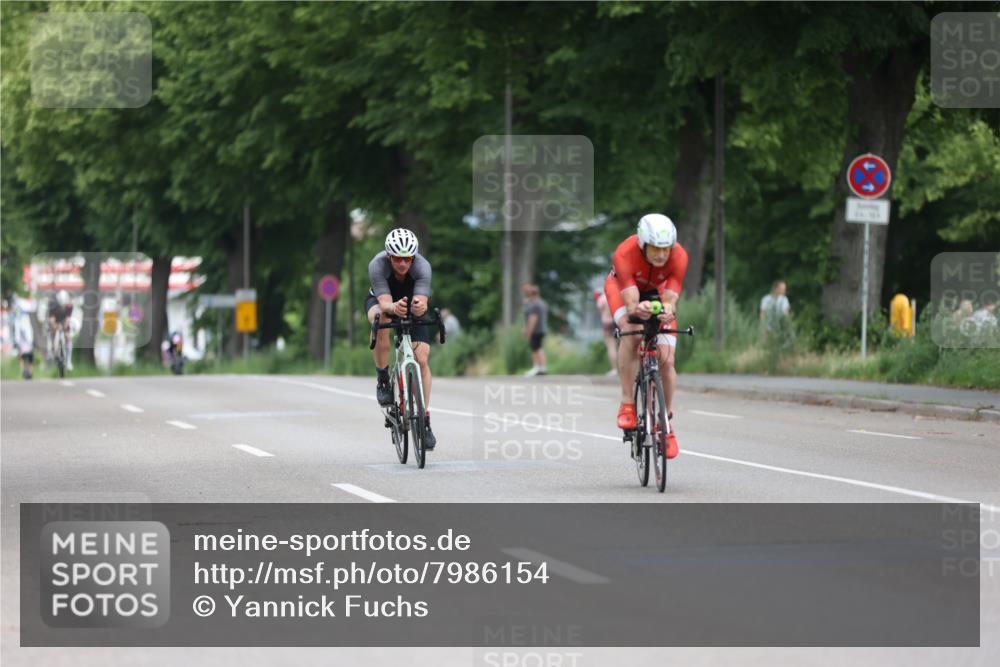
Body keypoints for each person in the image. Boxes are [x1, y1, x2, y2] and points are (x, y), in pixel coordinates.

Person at [604, 213, 688, 459]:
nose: (661, 255)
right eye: (654, 248)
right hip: (623, 289)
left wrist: (667, 311)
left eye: (665, 249)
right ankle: (627, 402)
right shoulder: (624, 253)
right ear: (642, 244)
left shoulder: (679, 256)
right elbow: (631, 305)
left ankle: (666, 423)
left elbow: (670, 300)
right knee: (632, 334)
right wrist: (636, 310)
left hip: (658, 294)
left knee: (667, 359)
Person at [366, 228, 437, 449]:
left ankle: (424, 421)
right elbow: (386, 302)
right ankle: (383, 378)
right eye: (398, 259)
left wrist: (420, 306)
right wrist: (392, 307)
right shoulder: (377, 265)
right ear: (389, 256)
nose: (403, 264)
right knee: (379, 319)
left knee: (422, 359)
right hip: (383, 300)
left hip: (409, 302)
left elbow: (421, 300)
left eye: (407, 258)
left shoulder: (422, 266)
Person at [522, 283, 548, 376]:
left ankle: (537, 367)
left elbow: (533, 319)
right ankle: (541, 367)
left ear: (531, 294)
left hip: (536, 330)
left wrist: (529, 331)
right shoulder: (542, 303)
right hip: (542, 328)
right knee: (539, 348)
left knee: (535, 348)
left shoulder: (535, 305)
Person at [46, 289, 74, 372]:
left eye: (64, 305)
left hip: (64, 320)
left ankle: (68, 360)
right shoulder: (52, 305)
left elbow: (68, 318)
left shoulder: (69, 306)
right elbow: (51, 319)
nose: (63, 306)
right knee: (52, 331)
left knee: (68, 337)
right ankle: (50, 350)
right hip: (54, 319)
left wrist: (65, 327)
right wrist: (54, 326)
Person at [594, 290, 617, 376]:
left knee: (611, 346)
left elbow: (600, 310)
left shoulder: (602, 298)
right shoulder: (617, 295)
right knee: (622, 346)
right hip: (618, 321)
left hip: (607, 322)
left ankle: (615, 369)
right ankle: (624, 368)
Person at [13, 296, 35, 380]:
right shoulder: (19, 319)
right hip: (23, 341)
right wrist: (17, 341)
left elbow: (28, 330)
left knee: (27, 357)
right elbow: (18, 332)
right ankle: (24, 372)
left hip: (26, 341)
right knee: (23, 357)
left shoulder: (24, 318)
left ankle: (29, 372)